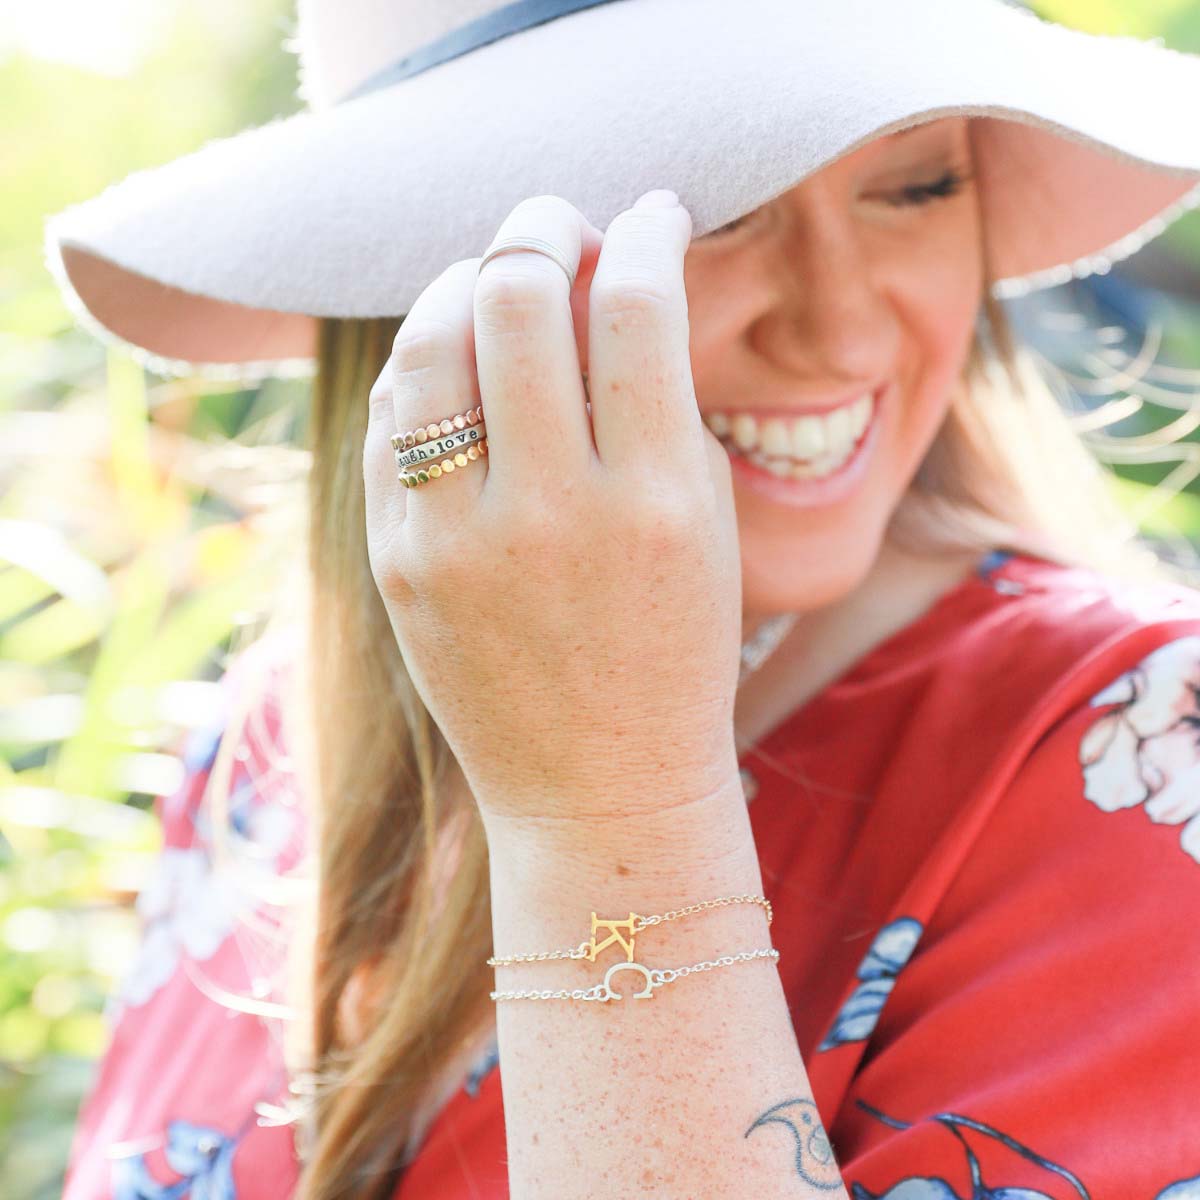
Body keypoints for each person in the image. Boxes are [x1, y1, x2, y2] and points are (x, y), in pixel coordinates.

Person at [45, 1, 1200, 1197]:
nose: (841, 327)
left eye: (915, 189)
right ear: (430, 289)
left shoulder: (1140, 749)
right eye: (709, 211)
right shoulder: (263, 749)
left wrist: (611, 810)